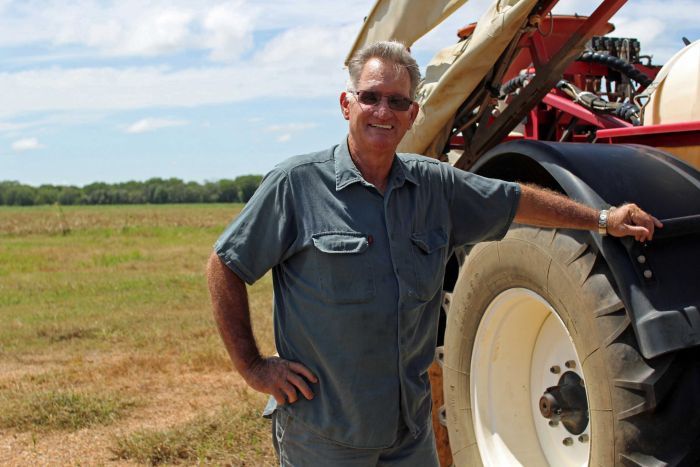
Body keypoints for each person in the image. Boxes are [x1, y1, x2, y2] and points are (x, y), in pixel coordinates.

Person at [206, 41, 662, 466]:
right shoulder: (297, 185)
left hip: (410, 437)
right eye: (371, 97)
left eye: (397, 102)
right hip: (325, 437)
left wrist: (602, 219)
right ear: (347, 106)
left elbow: (516, 199)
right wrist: (253, 367)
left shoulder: (434, 185)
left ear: (412, 114)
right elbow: (225, 264)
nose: (383, 111)